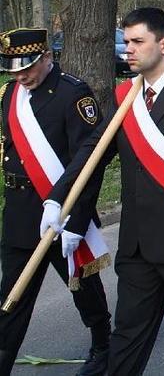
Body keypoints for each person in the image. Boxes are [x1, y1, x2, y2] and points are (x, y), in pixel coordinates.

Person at [42, 8, 164, 376]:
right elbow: (92, 152)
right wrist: (58, 196)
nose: (128, 49)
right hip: (138, 248)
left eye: (137, 42)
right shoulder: (125, 96)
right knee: (127, 339)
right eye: (126, 42)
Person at [0, 28, 111, 376]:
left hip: (63, 212)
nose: (21, 75)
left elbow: (89, 163)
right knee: (12, 296)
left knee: (82, 287)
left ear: (47, 57)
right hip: (20, 212)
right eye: (14, 69)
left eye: (28, 66)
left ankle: (102, 345)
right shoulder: (10, 94)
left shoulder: (73, 94)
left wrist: (77, 223)